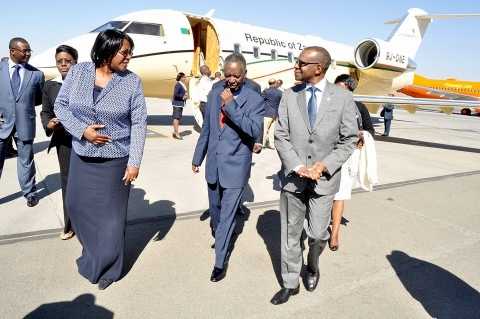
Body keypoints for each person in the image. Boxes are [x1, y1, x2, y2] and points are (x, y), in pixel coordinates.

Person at [54, 29, 147, 290]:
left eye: (130, 53)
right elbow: (61, 106)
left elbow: (139, 123)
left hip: (115, 158)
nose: (129, 57)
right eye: (124, 52)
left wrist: (134, 162)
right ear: (107, 50)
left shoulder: (132, 81)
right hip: (82, 155)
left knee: (111, 219)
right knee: (75, 205)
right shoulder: (79, 71)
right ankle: (93, 253)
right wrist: (82, 130)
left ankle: (110, 268)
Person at [272, 46, 358, 305]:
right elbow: (280, 135)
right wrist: (297, 165)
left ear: (318, 68)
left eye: (301, 63)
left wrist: (324, 165)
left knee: (318, 234)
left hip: (324, 179)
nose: (296, 67)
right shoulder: (288, 95)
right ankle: (289, 282)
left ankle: (312, 265)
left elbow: (349, 139)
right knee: (290, 232)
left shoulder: (342, 98)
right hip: (293, 177)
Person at [192, 53, 264, 283]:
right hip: (213, 164)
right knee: (215, 212)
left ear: (244, 75)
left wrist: (231, 106)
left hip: (236, 165)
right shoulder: (214, 93)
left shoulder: (254, 99)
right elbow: (208, 129)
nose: (231, 79)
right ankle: (221, 234)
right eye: (228, 74)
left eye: (236, 75)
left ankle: (220, 262)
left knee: (227, 217)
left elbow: (253, 129)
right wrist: (198, 157)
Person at [329, 74, 375, 251]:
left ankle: (334, 234)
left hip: (348, 158)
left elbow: (370, 130)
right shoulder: (326, 106)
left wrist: (362, 135)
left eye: (344, 90)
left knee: (340, 195)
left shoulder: (359, 107)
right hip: (327, 156)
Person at [0, 38, 44, 207]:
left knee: (26, 161)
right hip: (2, 124)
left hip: (25, 124)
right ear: (12, 51)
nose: (28, 54)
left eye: (29, 50)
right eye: (24, 51)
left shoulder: (37, 74)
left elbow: (38, 99)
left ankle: (30, 193)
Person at [40, 45, 78, 240]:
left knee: (87, 183)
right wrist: (49, 123)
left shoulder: (85, 83)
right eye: (59, 61)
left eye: (68, 61)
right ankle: (69, 225)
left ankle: (88, 224)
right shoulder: (50, 85)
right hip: (64, 141)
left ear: (75, 62)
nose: (63, 65)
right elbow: (45, 110)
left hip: (85, 140)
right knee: (68, 182)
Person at [261, 78, 282, 149]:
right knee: (272, 130)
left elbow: (260, 100)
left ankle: (263, 144)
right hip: (275, 114)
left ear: (269, 83)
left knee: (264, 130)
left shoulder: (266, 91)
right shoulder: (280, 92)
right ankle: (272, 145)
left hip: (266, 113)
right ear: (275, 83)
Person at [171, 72, 188, 140]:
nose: (185, 78)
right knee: (176, 118)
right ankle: (176, 133)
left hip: (180, 104)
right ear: (181, 78)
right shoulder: (178, 84)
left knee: (178, 118)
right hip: (177, 104)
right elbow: (175, 94)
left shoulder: (182, 84)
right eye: (184, 77)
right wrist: (183, 97)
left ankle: (175, 132)